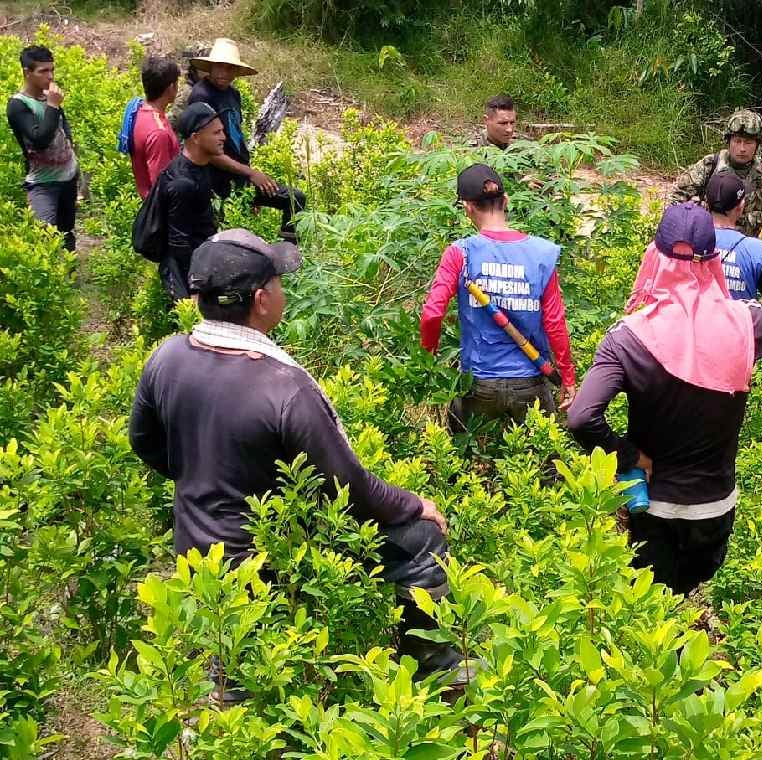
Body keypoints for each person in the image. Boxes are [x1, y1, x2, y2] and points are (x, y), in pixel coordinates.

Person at [128, 229, 465, 682]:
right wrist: (413, 503)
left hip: (197, 553)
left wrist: (203, 473)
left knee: (236, 675)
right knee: (422, 540)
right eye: (278, 283)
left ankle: (230, 684)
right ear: (262, 299)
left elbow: (145, 442)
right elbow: (348, 487)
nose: (282, 291)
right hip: (272, 553)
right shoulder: (284, 386)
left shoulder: (167, 356)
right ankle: (435, 673)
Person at [566, 184, 762, 596]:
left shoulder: (626, 339)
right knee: (687, 591)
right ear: (712, 259)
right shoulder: (745, 324)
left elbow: (582, 416)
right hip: (714, 509)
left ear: (654, 257)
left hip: (652, 507)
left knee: (651, 610)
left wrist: (627, 454)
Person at [420, 164, 578, 426]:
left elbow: (432, 313)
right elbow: (555, 321)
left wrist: (428, 354)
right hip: (532, 379)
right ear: (506, 201)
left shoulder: (460, 253)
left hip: (478, 383)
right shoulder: (542, 254)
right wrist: (568, 377)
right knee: (543, 461)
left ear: (467, 208)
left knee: (460, 460)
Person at [186, 38, 306, 242]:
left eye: (230, 68)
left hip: (239, 176)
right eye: (219, 67)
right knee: (217, 237)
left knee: (295, 199)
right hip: (216, 182)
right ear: (211, 67)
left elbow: (236, 139)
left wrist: (249, 179)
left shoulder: (233, 94)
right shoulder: (202, 96)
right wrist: (250, 173)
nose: (224, 72)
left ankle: (289, 254)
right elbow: (209, 151)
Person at [669, 109, 762, 243]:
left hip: (749, 249)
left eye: (748, 143)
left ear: (757, 144)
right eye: (737, 141)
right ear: (729, 141)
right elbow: (677, 198)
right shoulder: (710, 166)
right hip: (710, 246)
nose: (742, 148)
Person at [7, 45, 78, 251]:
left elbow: (62, 127)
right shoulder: (18, 105)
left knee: (67, 233)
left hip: (67, 178)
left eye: (52, 70)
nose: (50, 76)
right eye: (43, 71)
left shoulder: (47, 97)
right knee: (46, 239)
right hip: (43, 183)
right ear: (27, 73)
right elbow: (40, 139)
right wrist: (53, 105)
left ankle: (69, 280)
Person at [151, 103, 223, 302]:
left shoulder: (201, 165)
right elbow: (179, 242)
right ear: (196, 138)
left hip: (201, 259)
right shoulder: (182, 183)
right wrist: (194, 288)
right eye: (216, 133)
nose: (223, 138)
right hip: (183, 272)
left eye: (222, 131)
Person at [706, 173, 762, 303]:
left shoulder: (690, 241)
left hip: (695, 322)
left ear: (707, 203)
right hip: (741, 322)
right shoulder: (755, 251)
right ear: (740, 207)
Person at [130, 56, 181, 198]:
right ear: (172, 87)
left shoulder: (138, 112)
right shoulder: (159, 132)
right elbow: (161, 186)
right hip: (160, 212)